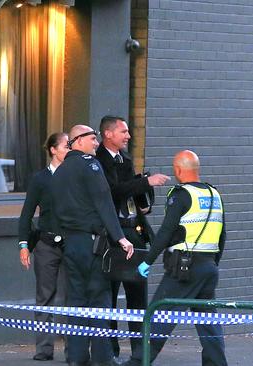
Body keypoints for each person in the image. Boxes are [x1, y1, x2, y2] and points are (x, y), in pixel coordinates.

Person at [126, 150, 228, 366]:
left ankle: (138, 362)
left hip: (184, 268)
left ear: (179, 170)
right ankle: (217, 363)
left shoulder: (181, 194)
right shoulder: (214, 194)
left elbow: (165, 232)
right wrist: (212, 263)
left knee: (158, 315)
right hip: (208, 267)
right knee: (208, 322)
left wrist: (147, 261)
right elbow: (222, 234)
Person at [51, 124, 134, 366]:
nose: (96, 142)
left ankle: (76, 357)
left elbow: (54, 210)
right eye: (91, 138)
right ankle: (102, 358)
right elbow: (104, 202)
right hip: (92, 244)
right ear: (77, 141)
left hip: (70, 243)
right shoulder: (91, 164)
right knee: (99, 300)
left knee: (76, 300)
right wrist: (120, 237)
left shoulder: (61, 171)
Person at [94, 115, 170, 361]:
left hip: (134, 232)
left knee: (138, 293)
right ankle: (111, 351)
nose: (128, 136)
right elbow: (113, 192)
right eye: (123, 131)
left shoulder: (124, 158)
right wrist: (146, 181)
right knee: (111, 295)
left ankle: (140, 351)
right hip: (114, 236)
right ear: (108, 134)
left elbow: (129, 191)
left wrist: (143, 192)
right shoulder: (100, 161)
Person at [18, 132, 70, 361]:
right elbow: (26, 214)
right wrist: (23, 245)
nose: (70, 149)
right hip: (47, 243)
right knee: (45, 295)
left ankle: (73, 348)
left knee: (72, 297)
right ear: (53, 150)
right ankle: (44, 348)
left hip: (72, 243)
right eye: (66, 145)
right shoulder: (40, 179)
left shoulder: (74, 176)